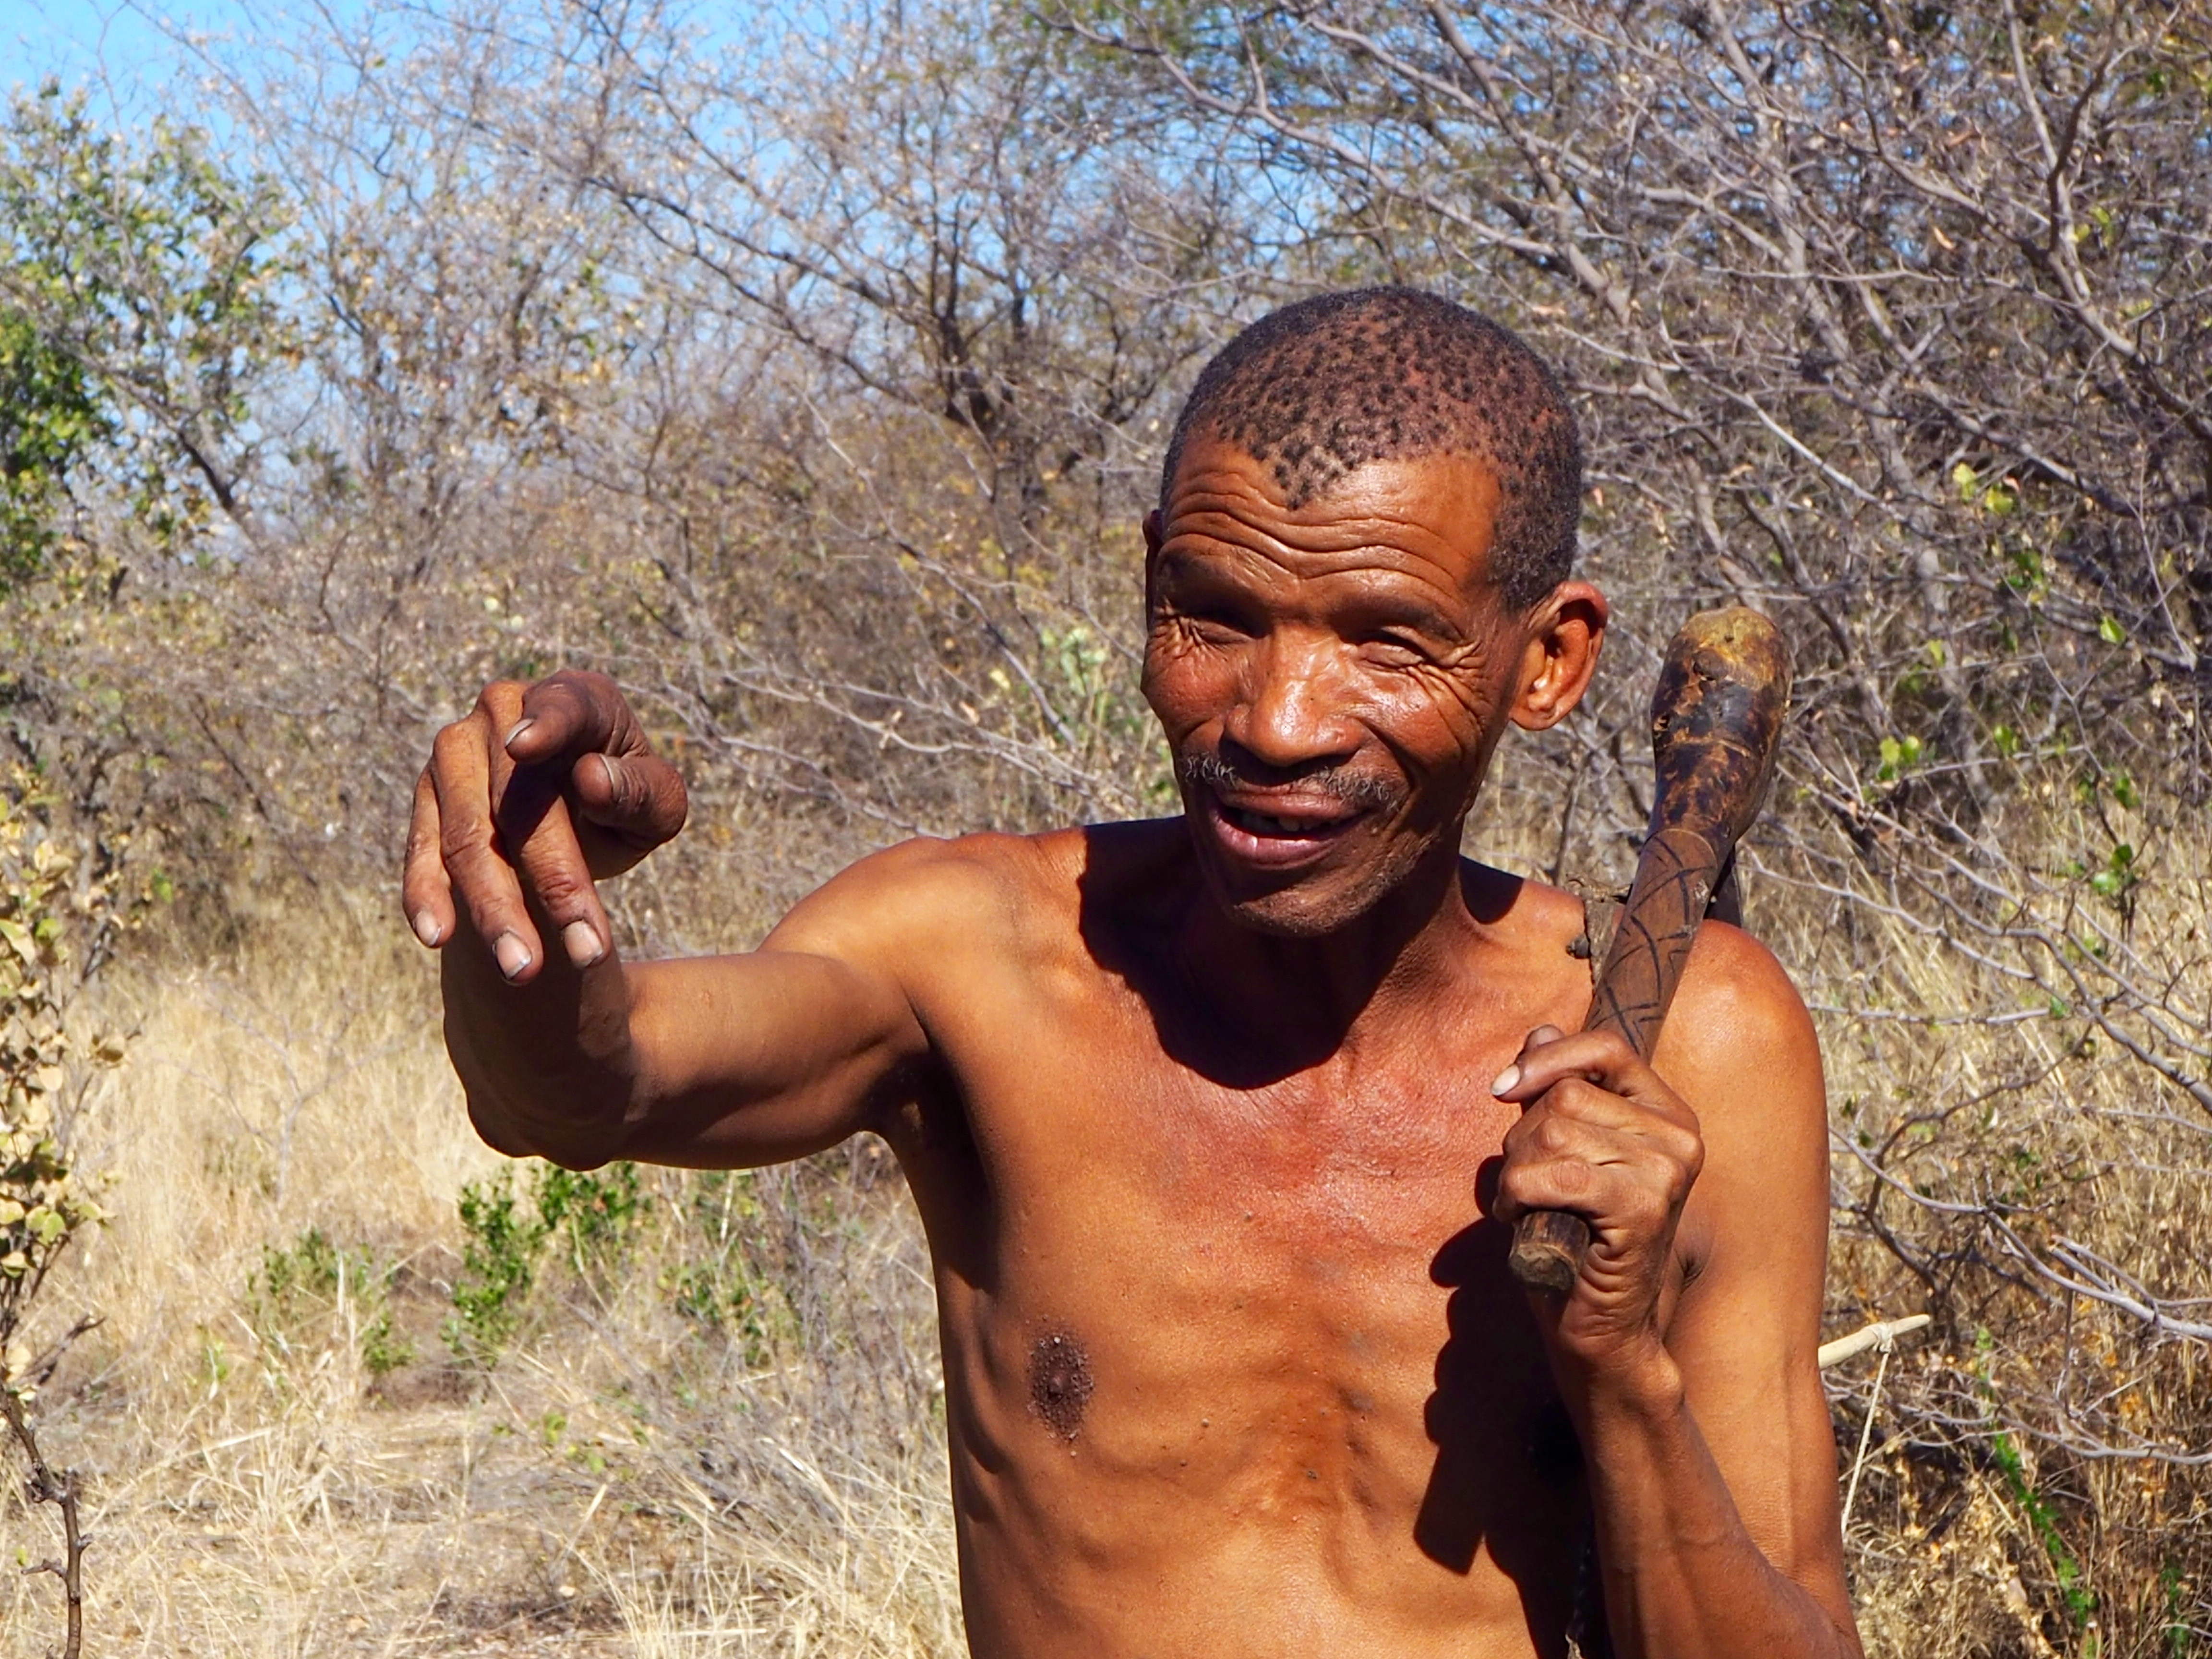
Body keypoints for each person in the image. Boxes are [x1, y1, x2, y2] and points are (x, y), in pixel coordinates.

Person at [402, 288, 1862, 1659]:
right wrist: (529, 902)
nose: (1278, 721)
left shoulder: (1704, 1047)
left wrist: (1619, 1381)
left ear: (1548, 663)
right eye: (1215, 615)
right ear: (1149, 583)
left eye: (1387, 642)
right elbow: (584, 1086)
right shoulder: (971, 959)